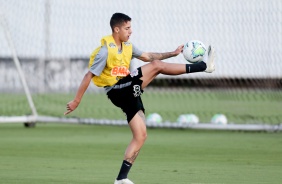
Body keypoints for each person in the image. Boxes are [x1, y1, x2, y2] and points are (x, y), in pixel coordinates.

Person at [64, 12, 215, 184]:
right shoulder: (105, 51)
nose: (131, 31)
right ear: (116, 29)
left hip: (128, 89)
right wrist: (77, 101)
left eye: (131, 28)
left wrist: (173, 53)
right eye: (127, 28)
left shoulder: (128, 46)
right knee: (157, 67)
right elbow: (88, 76)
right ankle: (203, 66)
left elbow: (149, 57)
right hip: (117, 90)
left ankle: (121, 178)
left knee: (141, 135)